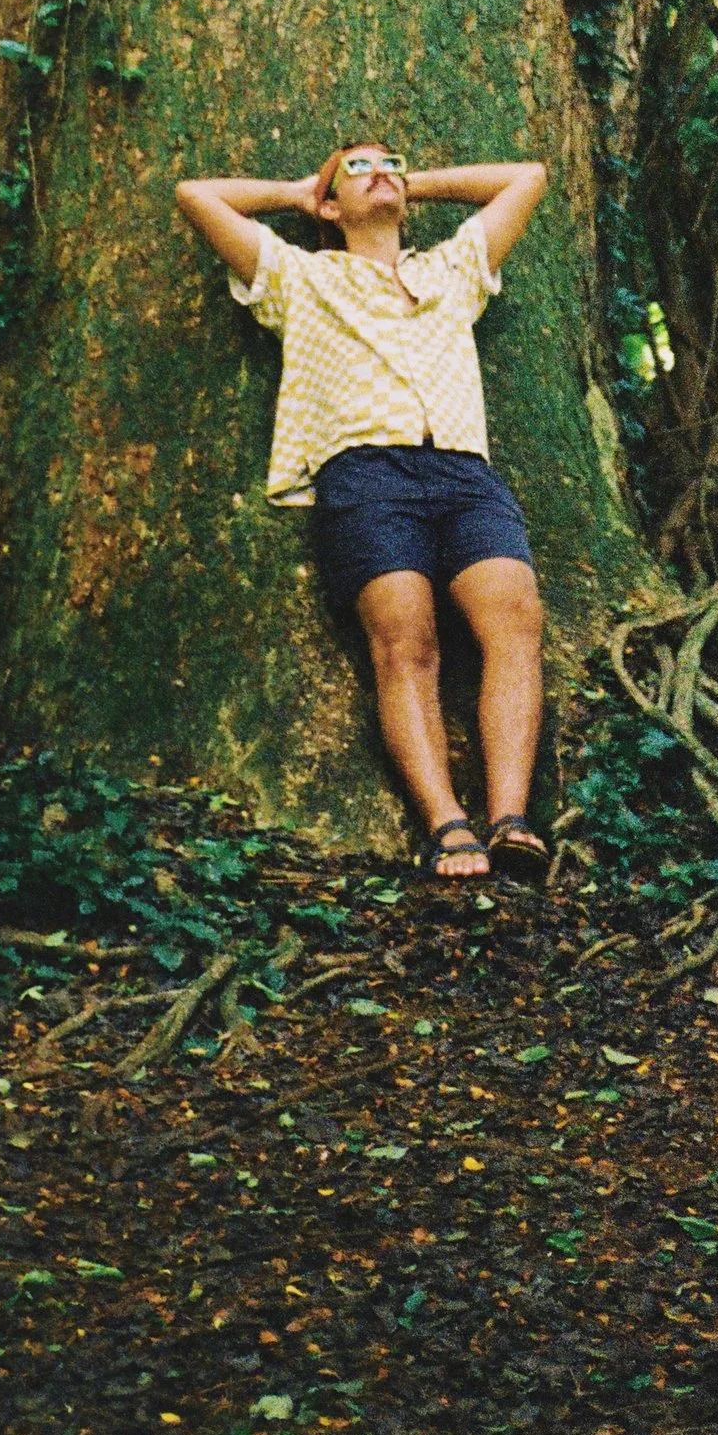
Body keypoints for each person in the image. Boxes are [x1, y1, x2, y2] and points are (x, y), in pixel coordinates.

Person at [174, 140, 551, 882]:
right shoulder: (299, 277)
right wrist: (298, 193)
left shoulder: (453, 269)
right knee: (405, 641)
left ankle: (511, 818)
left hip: (464, 470)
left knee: (514, 619)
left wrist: (412, 182)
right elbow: (196, 194)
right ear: (330, 204)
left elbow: (528, 178)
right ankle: (447, 825)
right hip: (366, 476)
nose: (380, 172)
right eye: (358, 167)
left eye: (392, 162)